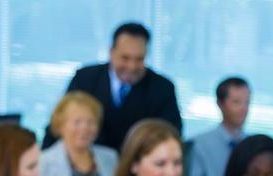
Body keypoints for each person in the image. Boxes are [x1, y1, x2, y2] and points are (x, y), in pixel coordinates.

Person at [42, 22, 182, 152]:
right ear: (111, 52)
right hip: (87, 167)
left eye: (139, 59)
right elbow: (59, 125)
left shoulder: (162, 88)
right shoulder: (85, 79)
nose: (132, 67)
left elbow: (170, 137)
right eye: (125, 58)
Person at [33, 91, 118, 176]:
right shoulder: (43, 161)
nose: (84, 128)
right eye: (77, 122)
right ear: (61, 125)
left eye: (91, 122)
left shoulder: (110, 157)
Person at [186, 77, 251, 176]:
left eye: (247, 102)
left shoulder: (253, 145)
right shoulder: (200, 144)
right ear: (220, 104)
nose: (244, 109)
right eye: (236, 102)